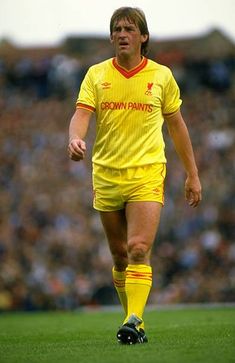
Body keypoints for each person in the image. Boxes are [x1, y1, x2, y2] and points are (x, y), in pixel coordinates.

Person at [67, 6, 202, 345]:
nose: (122, 34)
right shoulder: (97, 75)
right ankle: (134, 322)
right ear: (111, 36)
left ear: (143, 37)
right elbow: (81, 114)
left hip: (147, 172)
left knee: (139, 248)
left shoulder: (161, 76)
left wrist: (192, 174)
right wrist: (74, 138)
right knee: (119, 255)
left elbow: (177, 126)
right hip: (107, 174)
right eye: (117, 29)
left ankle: (133, 320)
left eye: (129, 28)